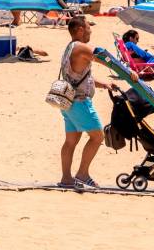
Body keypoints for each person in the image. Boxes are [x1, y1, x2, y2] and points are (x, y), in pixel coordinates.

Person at [59, 16, 138, 189]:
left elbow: (79, 76)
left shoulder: (70, 48)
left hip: (67, 101)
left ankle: (66, 178)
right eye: (88, 27)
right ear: (80, 29)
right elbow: (105, 58)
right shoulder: (82, 47)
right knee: (97, 137)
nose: (90, 30)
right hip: (79, 103)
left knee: (71, 141)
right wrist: (128, 71)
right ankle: (82, 174)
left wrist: (104, 84)